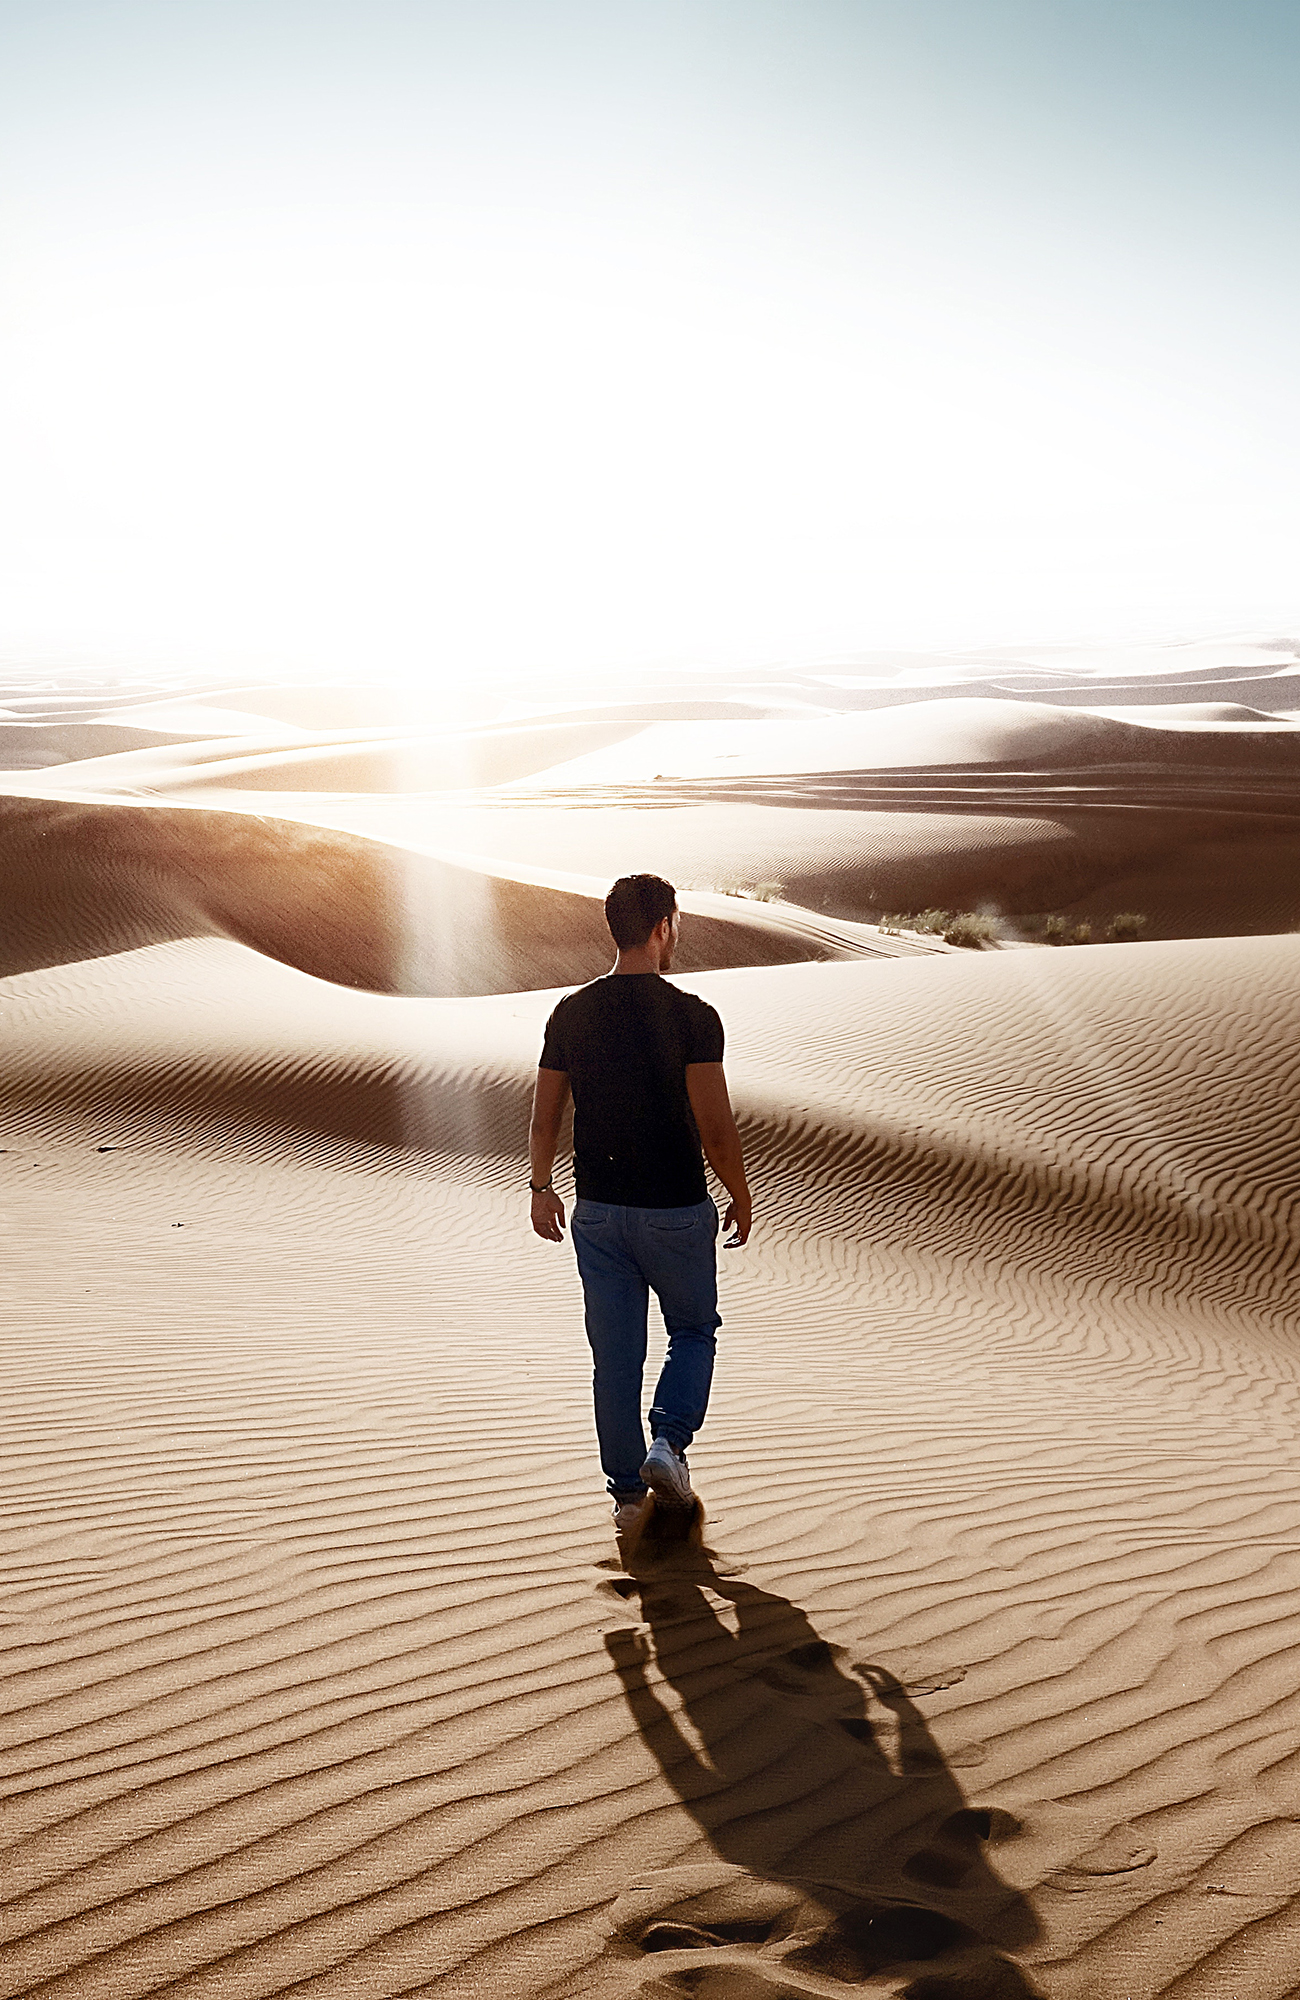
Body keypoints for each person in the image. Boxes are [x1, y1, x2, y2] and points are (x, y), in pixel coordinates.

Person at [528, 873, 752, 1535]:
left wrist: (541, 1190)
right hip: (676, 1212)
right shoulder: (693, 1016)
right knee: (692, 1332)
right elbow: (716, 1127)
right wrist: (740, 1195)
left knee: (615, 1362)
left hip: (598, 1215)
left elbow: (544, 1120)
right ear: (662, 928)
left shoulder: (570, 1013)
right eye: (675, 924)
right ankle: (668, 1446)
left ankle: (627, 1500)